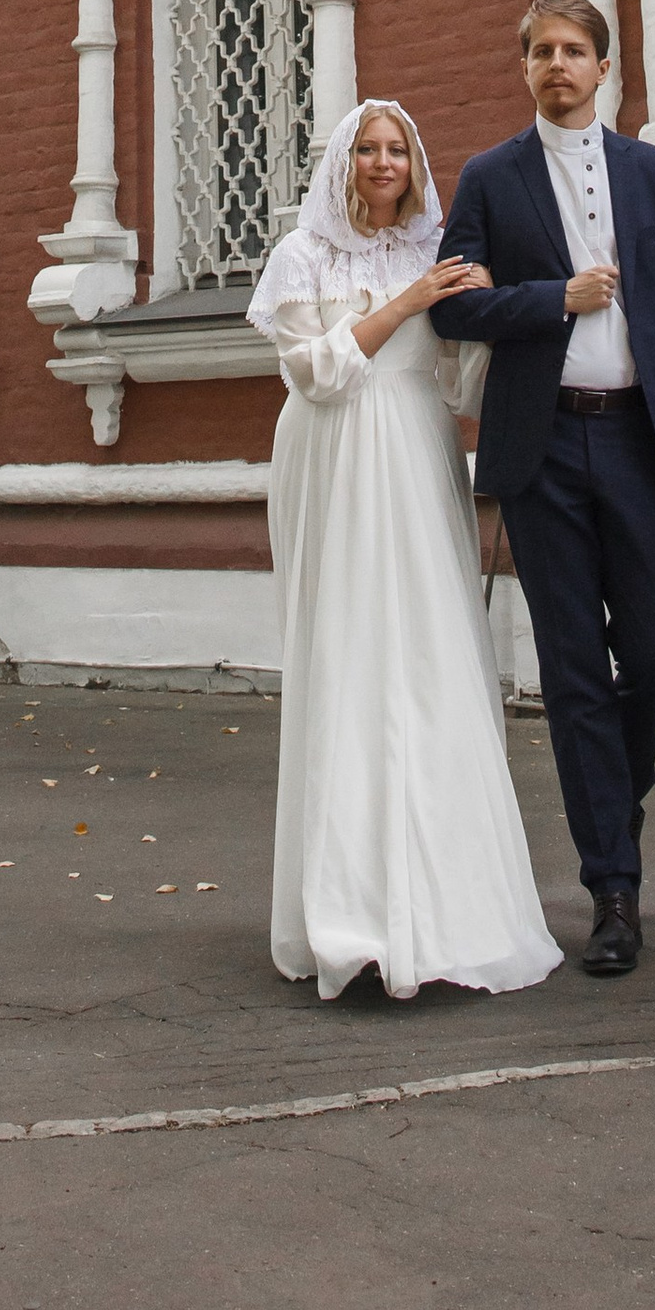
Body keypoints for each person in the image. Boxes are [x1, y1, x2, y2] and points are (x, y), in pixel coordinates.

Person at [431, 0, 655, 978]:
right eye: (540, 52)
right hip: (542, 451)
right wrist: (550, 301)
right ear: (524, 67)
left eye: (574, 51)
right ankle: (612, 886)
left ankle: (613, 802)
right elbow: (452, 312)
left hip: (634, 443)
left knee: (652, 657)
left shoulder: (653, 176)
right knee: (575, 675)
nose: (557, 67)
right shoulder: (490, 179)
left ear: (603, 68)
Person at [249, 99, 564, 1001]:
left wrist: (507, 307)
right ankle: (349, 914)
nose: (384, 163)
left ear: (416, 166)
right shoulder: (303, 257)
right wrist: (409, 303)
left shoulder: (438, 255)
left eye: (398, 150)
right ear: (343, 163)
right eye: (368, 150)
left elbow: (462, 373)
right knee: (348, 656)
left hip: (419, 452)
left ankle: (453, 909)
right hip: (336, 454)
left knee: (431, 656)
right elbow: (315, 374)